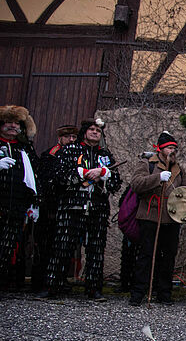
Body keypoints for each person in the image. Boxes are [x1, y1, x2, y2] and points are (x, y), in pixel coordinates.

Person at [42, 119, 120, 300]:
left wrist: (104, 174)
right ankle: (53, 287)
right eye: (91, 129)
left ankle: (93, 289)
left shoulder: (105, 155)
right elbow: (58, 177)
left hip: (97, 209)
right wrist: (83, 173)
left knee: (96, 250)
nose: (95, 132)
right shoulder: (69, 151)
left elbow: (116, 183)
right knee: (62, 248)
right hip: (71, 207)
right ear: (84, 132)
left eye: (98, 130)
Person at [129, 131, 186, 306]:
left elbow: (185, 191)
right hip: (150, 215)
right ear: (160, 149)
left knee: (168, 257)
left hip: (171, 218)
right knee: (146, 255)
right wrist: (157, 178)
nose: (172, 151)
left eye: (174, 148)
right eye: (169, 147)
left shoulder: (179, 169)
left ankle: (164, 293)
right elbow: (136, 184)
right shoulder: (147, 164)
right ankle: (138, 293)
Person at [31, 124, 77, 293]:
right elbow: (44, 179)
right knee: (45, 245)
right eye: (68, 137)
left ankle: (60, 279)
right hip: (50, 206)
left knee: (64, 246)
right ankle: (40, 281)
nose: (71, 140)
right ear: (60, 138)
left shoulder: (77, 156)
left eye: (73, 138)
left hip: (68, 207)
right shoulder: (50, 154)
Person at [0, 105, 38, 293]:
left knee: (7, 249)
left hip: (15, 207)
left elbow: (32, 178)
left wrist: (33, 203)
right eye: (9, 122)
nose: (12, 126)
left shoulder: (24, 149)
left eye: (16, 123)